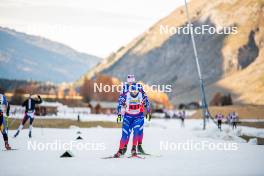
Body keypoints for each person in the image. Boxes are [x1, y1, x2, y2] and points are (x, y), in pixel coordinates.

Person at [114, 81, 151, 158]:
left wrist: (148, 112)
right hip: (127, 117)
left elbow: (147, 103)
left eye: (136, 91)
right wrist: (119, 116)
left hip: (137, 117)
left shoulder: (141, 95)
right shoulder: (126, 96)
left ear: (138, 90)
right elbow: (119, 106)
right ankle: (120, 150)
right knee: (124, 135)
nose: (134, 93)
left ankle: (133, 149)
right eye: (132, 91)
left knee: (136, 132)